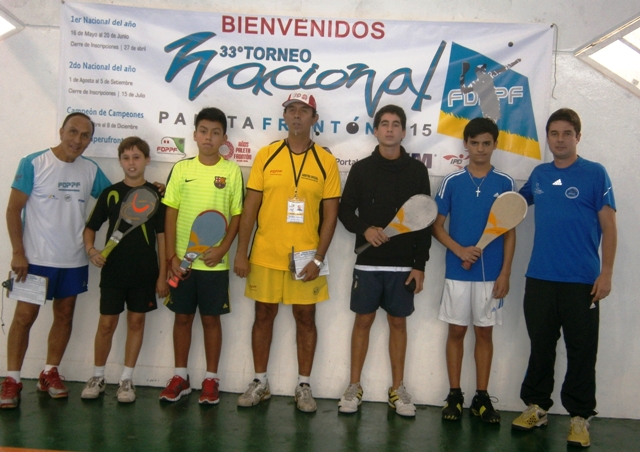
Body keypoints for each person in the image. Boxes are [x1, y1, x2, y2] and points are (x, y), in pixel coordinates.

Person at [512, 108, 617, 448]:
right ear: (547, 137)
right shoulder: (540, 174)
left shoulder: (595, 174)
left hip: (582, 281)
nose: (559, 140)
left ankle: (579, 417)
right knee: (541, 347)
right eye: (554, 133)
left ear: (577, 137)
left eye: (566, 133)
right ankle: (537, 407)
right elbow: (513, 205)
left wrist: (606, 273)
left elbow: (609, 226)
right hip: (540, 278)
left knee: (582, 351)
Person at [234, 92, 340, 413]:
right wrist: (241, 252)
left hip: (306, 258)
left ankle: (304, 385)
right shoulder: (267, 155)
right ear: (284, 117)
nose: (296, 115)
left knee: (306, 318)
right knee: (263, 315)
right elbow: (250, 208)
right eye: (291, 110)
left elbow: (331, 216)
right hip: (265, 254)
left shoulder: (326, 160)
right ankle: (260, 382)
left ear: (314, 119)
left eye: (303, 111)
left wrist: (319, 258)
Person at [0, 113, 111, 409]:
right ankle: (12, 379)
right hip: (34, 260)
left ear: (90, 141)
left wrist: (150, 190)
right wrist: (18, 253)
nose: (77, 140)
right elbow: (13, 210)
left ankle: (49, 372)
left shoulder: (91, 169)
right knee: (24, 318)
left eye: (85, 136)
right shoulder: (33, 163)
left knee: (64, 316)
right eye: (72, 132)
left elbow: (116, 197)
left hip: (73, 260)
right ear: (61, 131)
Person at [337, 104, 431, 417]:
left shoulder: (416, 171)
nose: (390, 129)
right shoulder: (361, 169)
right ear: (376, 130)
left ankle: (397, 389)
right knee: (362, 322)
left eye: (396, 124)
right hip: (368, 264)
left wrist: (419, 265)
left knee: (398, 323)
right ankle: (353, 386)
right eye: (385, 124)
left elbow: (424, 220)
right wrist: (365, 229)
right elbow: (345, 211)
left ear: (403, 132)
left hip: (403, 266)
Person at [432, 117, 516, 423]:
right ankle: (454, 395)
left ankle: (482, 397)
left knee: (484, 333)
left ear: (495, 145)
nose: (480, 149)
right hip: (457, 272)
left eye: (486, 143)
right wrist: (459, 250)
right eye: (475, 143)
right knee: (456, 331)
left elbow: (509, 232)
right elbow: (436, 226)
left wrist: (505, 272)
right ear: (466, 144)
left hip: (491, 276)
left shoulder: (505, 183)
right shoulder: (451, 182)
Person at [158, 107, 243, 405]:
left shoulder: (232, 171)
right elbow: (170, 213)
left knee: (211, 320)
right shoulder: (181, 169)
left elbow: (236, 216)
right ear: (194, 135)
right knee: (182, 318)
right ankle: (180, 376)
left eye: (215, 132)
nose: (209, 137)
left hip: (214, 264)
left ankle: (211, 379)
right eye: (204, 131)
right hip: (182, 265)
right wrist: (171, 256)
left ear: (224, 138)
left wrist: (223, 249)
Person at [80, 137, 168, 403]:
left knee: (136, 322)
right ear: (120, 161)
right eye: (126, 158)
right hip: (113, 272)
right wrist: (91, 250)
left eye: (137, 157)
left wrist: (162, 274)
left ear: (147, 160)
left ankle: (127, 380)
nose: (131, 163)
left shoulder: (157, 195)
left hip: (145, 273)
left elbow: (162, 238)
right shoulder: (110, 193)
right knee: (106, 324)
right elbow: (90, 228)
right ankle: (97, 376)